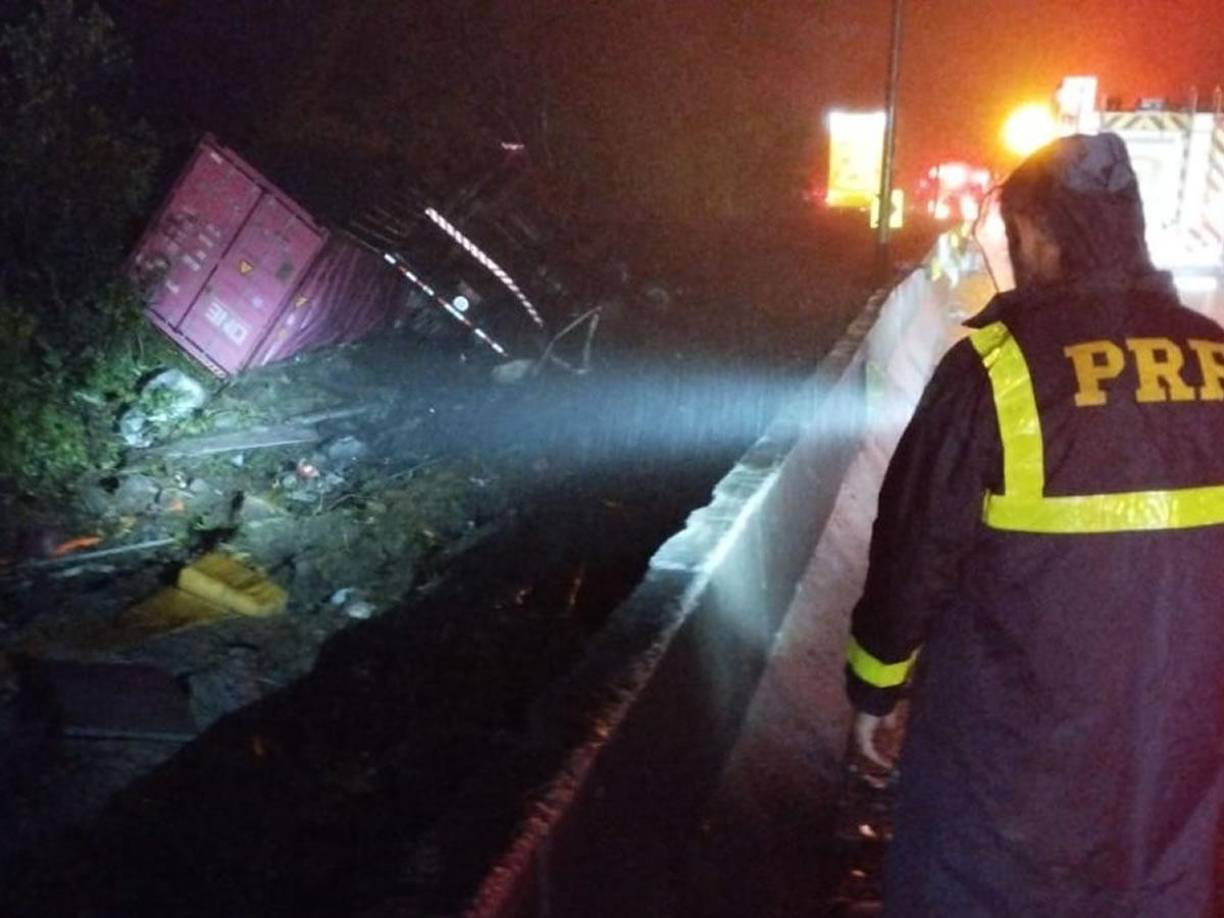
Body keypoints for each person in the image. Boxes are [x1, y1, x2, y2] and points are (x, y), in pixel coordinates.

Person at [845, 131, 1224, 916]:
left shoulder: (996, 368)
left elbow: (915, 548)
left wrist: (874, 689)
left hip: (1007, 776)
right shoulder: (1216, 358)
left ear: (1038, 232)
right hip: (1177, 760)